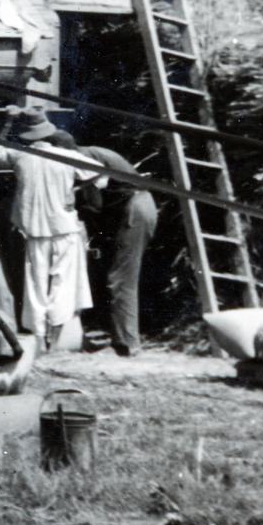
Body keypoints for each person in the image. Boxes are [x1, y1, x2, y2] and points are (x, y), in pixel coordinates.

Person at [0, 109, 105, 348]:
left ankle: (39, 336)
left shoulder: (20, 156)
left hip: (34, 230)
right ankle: (56, 331)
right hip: (63, 227)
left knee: (35, 284)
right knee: (63, 281)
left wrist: (8, 121)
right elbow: (100, 172)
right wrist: (75, 188)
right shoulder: (66, 157)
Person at [54, 131, 158, 357]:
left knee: (121, 279)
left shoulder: (85, 161)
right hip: (136, 207)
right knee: (117, 275)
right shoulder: (92, 152)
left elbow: (95, 204)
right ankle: (121, 338)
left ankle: (127, 344)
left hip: (135, 209)